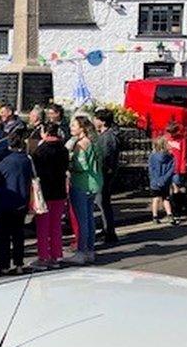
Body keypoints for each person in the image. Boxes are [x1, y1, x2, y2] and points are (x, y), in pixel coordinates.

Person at [0, 135, 33, 275]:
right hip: (21, 201)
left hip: (4, 202)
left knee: (3, 237)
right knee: (18, 235)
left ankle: (4, 266)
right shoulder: (26, 160)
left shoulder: (3, 162)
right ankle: (19, 264)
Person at [64, 116, 102, 265]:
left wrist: (69, 164)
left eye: (74, 126)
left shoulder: (81, 145)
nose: (71, 128)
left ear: (82, 128)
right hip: (94, 183)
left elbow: (82, 166)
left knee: (82, 221)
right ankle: (90, 251)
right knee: (89, 219)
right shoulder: (94, 142)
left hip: (81, 183)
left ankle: (81, 252)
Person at [31, 123, 69, 269]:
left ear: (45, 133)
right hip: (59, 191)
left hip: (44, 192)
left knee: (42, 226)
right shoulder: (63, 149)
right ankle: (56, 256)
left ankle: (43, 257)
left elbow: (36, 173)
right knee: (56, 225)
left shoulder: (40, 151)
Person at [93, 108, 120, 243]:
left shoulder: (107, 137)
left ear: (102, 121)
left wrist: (101, 172)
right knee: (103, 202)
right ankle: (107, 229)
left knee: (103, 203)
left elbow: (104, 157)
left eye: (96, 118)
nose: (94, 120)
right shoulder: (106, 135)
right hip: (105, 174)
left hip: (104, 175)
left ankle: (109, 232)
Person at [148, 137, 177, 225]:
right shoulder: (170, 157)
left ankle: (155, 217)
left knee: (155, 199)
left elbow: (151, 169)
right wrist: (164, 180)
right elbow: (171, 170)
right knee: (166, 198)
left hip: (155, 181)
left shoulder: (152, 156)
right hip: (165, 182)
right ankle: (170, 215)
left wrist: (155, 180)